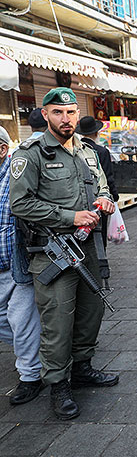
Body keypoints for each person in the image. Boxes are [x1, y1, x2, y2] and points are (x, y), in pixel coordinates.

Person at [10, 87, 119, 420]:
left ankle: (83, 368)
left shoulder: (87, 151)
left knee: (91, 312)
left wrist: (105, 201)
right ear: (45, 115)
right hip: (52, 251)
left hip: (88, 246)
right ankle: (58, 385)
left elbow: (101, 186)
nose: (66, 118)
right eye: (58, 112)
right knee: (58, 321)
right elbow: (20, 204)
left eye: (71, 112)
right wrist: (71, 217)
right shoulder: (30, 155)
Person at [0, 126, 43, 406]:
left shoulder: (17, 171)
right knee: (9, 322)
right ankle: (40, 352)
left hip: (18, 260)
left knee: (21, 319)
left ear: (2, 149)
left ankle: (31, 376)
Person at [77, 116, 119, 250]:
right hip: (99, 201)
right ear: (96, 133)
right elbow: (107, 177)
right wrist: (114, 196)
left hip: (80, 201)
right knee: (99, 233)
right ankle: (100, 260)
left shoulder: (75, 150)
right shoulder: (101, 151)